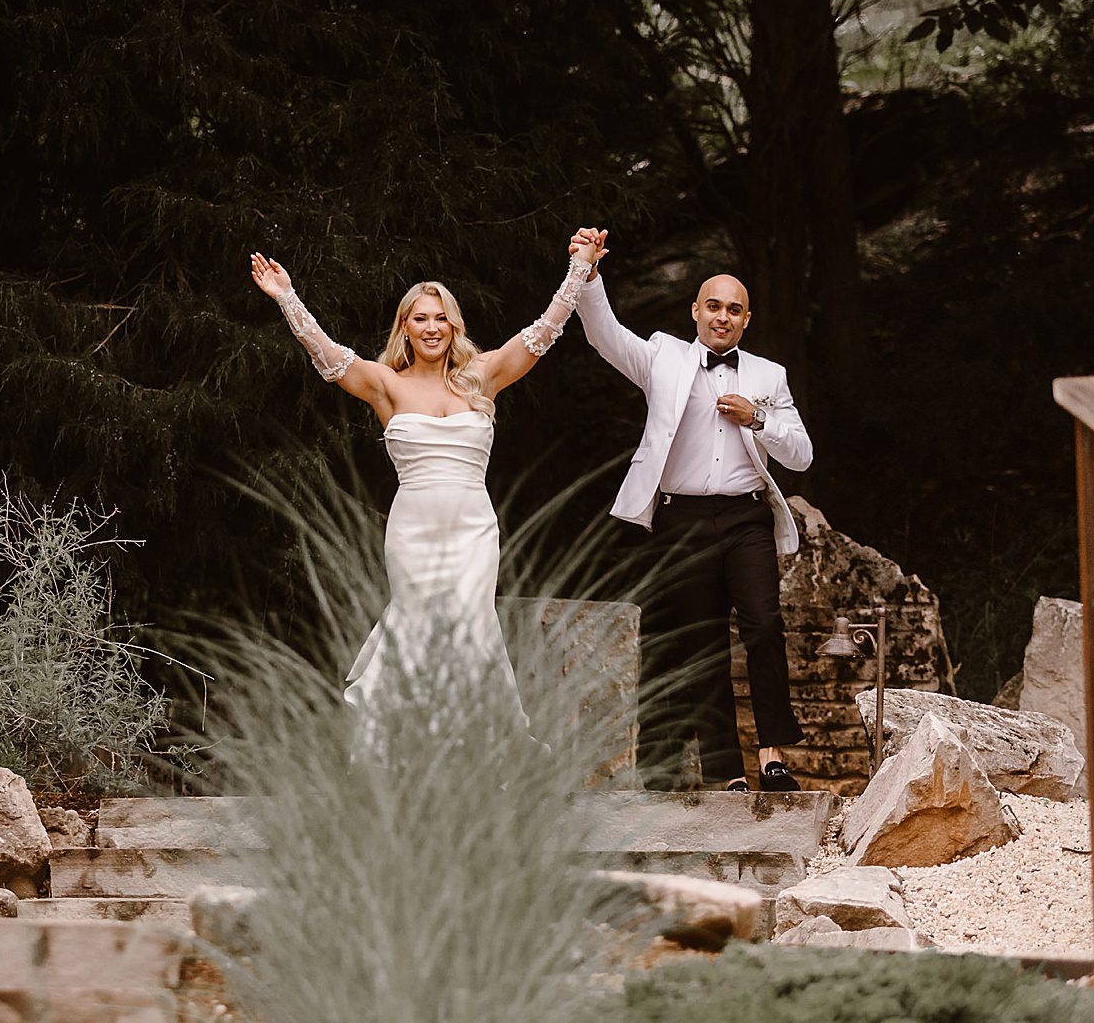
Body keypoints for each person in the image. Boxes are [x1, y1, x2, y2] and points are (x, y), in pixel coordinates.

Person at [248, 239, 601, 745]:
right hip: (412, 529)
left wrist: (579, 269)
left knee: (473, 625)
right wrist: (287, 297)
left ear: (454, 325)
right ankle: (407, 750)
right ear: (405, 329)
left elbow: (545, 330)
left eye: (440, 318)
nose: (431, 327)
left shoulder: (483, 376)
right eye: (420, 319)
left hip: (473, 528)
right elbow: (326, 354)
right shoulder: (385, 384)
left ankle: (477, 752)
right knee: (415, 627)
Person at [571, 228, 813, 793]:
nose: (723, 316)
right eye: (713, 306)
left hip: (746, 516)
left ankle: (774, 755)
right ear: (695, 311)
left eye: (734, 309)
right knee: (702, 643)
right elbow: (604, 334)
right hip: (681, 520)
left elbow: (801, 455)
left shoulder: (767, 376)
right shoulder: (663, 358)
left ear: (746, 320)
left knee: (764, 626)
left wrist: (759, 419)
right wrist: (588, 273)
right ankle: (727, 770)